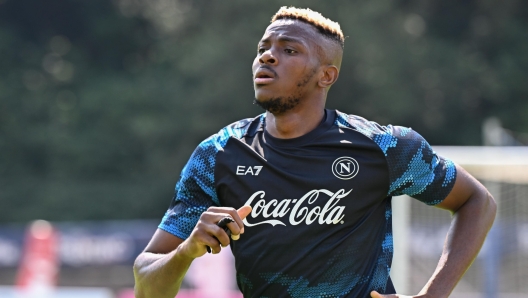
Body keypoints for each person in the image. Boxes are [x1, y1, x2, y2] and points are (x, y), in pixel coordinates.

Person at [133, 6, 496, 298]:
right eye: (263, 49)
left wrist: (433, 295)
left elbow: (477, 201)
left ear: (327, 76)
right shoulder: (217, 154)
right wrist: (187, 251)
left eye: (289, 50)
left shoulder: (383, 147)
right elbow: (147, 286)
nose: (268, 58)